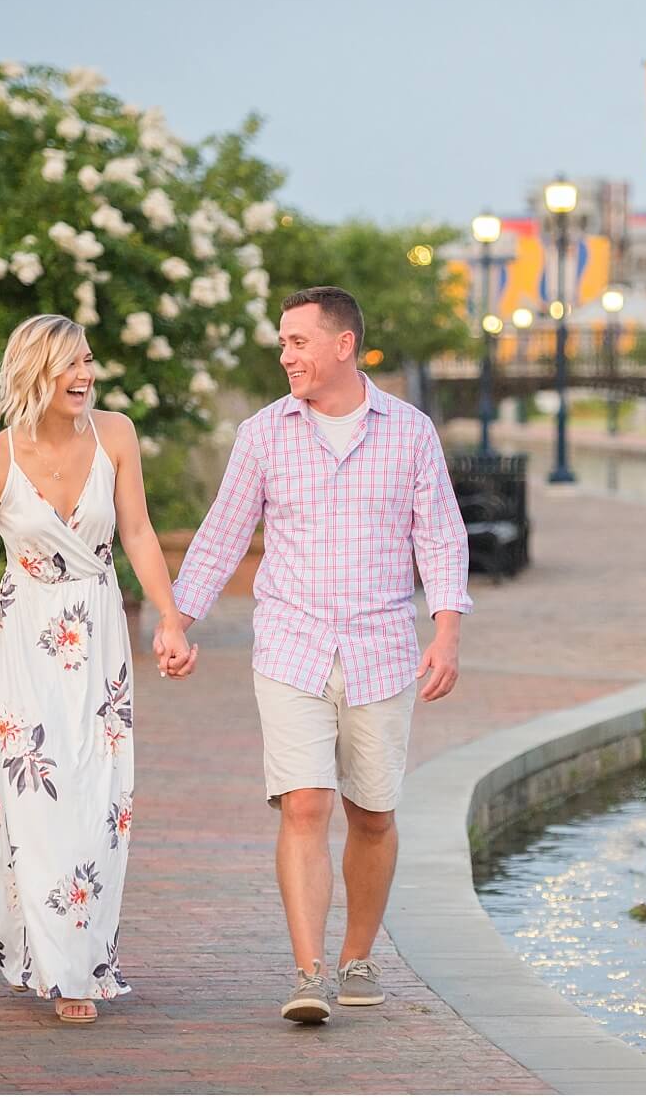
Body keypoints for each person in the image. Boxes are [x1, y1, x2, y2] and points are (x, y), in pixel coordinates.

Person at [163, 285, 471, 1024]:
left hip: (382, 648)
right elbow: (222, 533)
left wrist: (448, 630)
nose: (285, 355)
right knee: (304, 805)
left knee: (371, 814)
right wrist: (177, 619)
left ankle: (356, 956)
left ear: (343, 345)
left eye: (297, 342)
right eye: (282, 343)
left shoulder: (410, 432)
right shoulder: (264, 434)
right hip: (292, 646)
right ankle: (307, 976)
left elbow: (440, 535)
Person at [0, 314, 193, 1024]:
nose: (86, 375)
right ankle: (69, 972)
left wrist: (168, 615)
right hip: (25, 637)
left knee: (100, 795)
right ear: (35, 370)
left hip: (100, 634)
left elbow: (135, 532)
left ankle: (69, 946)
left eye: (89, 362)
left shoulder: (118, 436)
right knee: (37, 796)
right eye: (70, 364)